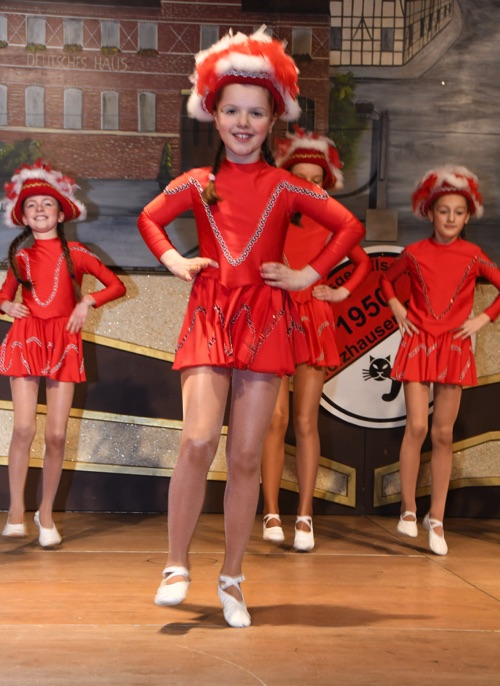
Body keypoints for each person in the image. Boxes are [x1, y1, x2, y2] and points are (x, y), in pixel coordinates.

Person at [137, 27, 365, 627]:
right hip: (210, 315)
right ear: (214, 115)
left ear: (272, 120)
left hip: (266, 320)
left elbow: (348, 229)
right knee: (197, 440)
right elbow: (149, 219)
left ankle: (233, 577)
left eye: (256, 112)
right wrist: (176, 261)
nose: (243, 122)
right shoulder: (198, 183)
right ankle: (176, 564)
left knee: (244, 456)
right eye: (233, 110)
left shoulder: (288, 185)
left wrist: (307, 274)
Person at [0, 160, 126, 546]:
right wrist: (6, 306)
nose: (39, 209)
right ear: (23, 217)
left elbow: (116, 285)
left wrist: (87, 301)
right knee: (24, 428)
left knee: (56, 435)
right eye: (31, 205)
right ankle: (16, 510)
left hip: (64, 342)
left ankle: (46, 513)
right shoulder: (21, 258)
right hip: (26, 339)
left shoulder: (78, 252)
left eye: (47, 204)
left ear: (60, 214)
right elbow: (4, 295)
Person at [260, 127, 372, 551]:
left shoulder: (331, 221)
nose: (308, 185)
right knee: (275, 419)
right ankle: (271, 511)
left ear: (325, 184)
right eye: (300, 178)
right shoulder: (271, 215)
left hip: (313, 319)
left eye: (315, 179)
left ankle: (305, 516)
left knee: (306, 421)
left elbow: (362, 263)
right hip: (274, 317)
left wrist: (340, 292)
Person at [379, 164, 500, 555]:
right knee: (416, 426)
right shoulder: (414, 253)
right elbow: (386, 279)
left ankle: (437, 519)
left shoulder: (473, 255)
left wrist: (482, 318)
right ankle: (408, 509)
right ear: (429, 213)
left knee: (443, 434)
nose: (450, 218)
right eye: (443, 211)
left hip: (453, 347)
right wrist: (397, 306)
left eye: (458, 212)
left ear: (467, 217)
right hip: (418, 345)